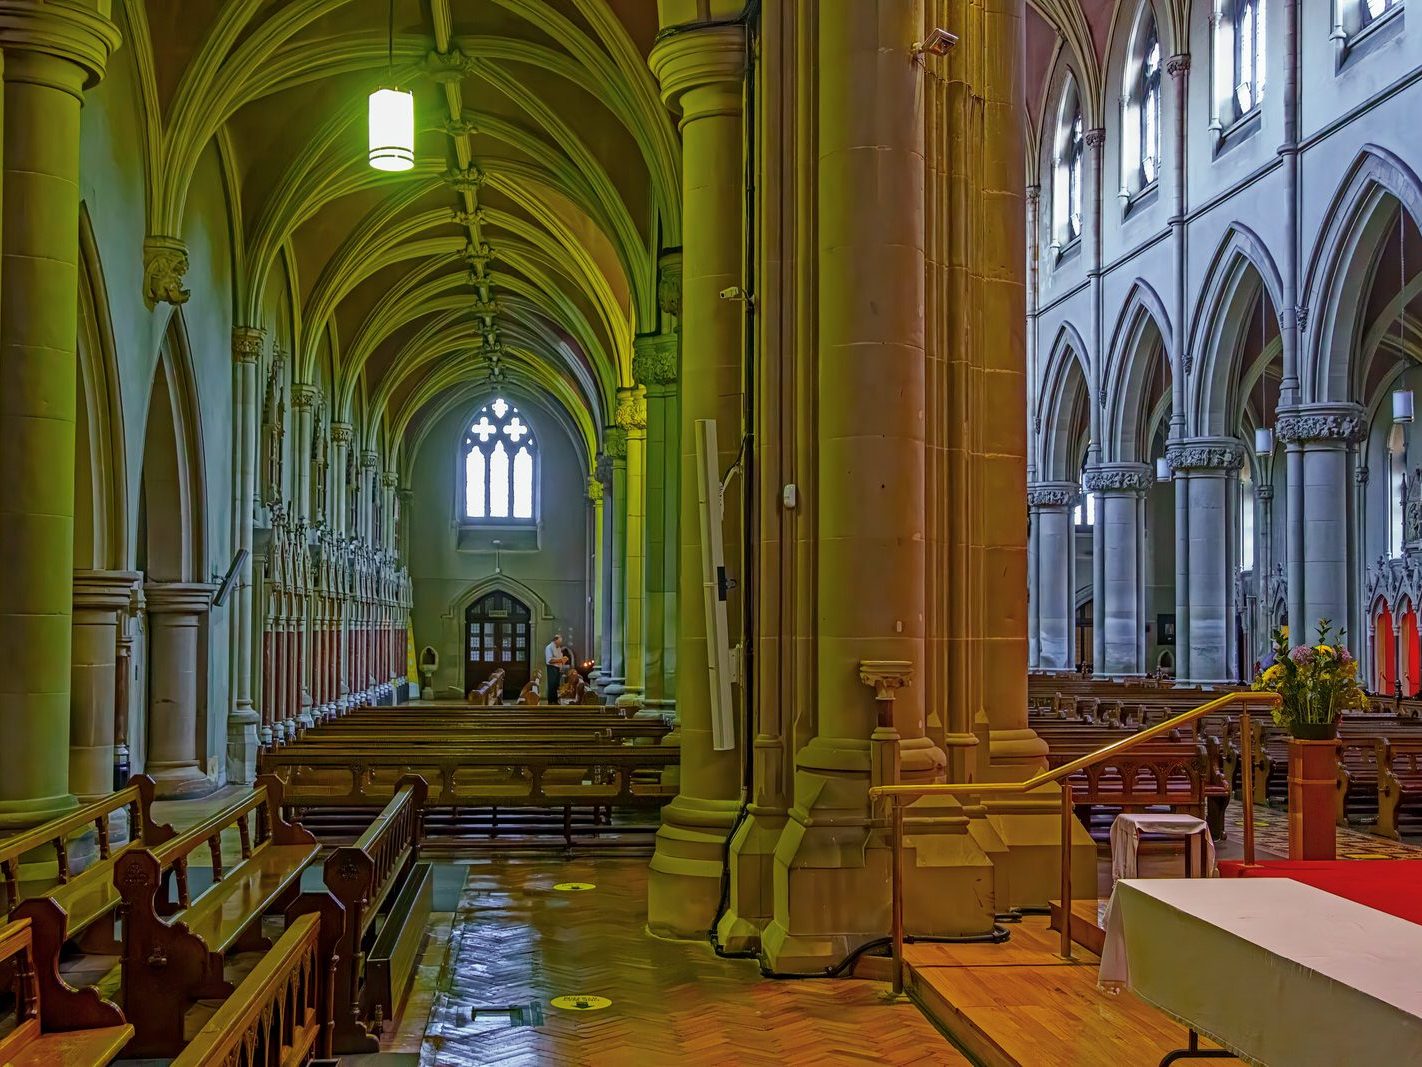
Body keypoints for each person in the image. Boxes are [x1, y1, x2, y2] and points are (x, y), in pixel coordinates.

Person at [544, 632, 568, 698]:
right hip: (551, 668)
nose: (560, 644)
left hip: (557, 668)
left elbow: (559, 658)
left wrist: (563, 659)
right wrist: (561, 660)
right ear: (555, 640)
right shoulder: (549, 647)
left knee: (556, 685)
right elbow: (549, 660)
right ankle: (551, 702)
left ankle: (555, 701)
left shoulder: (558, 648)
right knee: (552, 685)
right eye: (559, 642)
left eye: (560, 642)